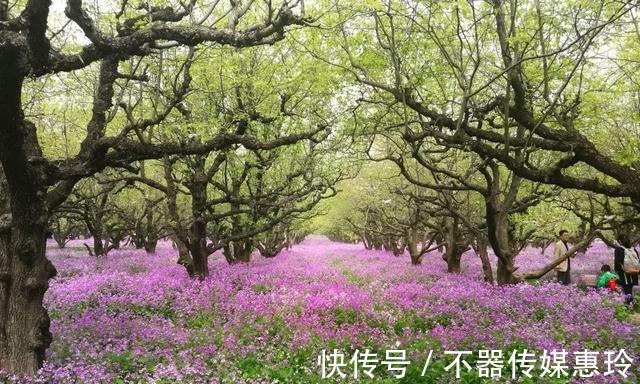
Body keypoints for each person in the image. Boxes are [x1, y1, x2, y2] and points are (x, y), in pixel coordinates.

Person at [614, 234, 639, 307]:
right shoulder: (633, 249)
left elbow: (617, 261)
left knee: (627, 288)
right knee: (629, 288)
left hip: (625, 272)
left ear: (620, 241)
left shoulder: (619, 249)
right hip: (634, 271)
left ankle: (629, 305)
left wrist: (617, 270)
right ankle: (630, 304)